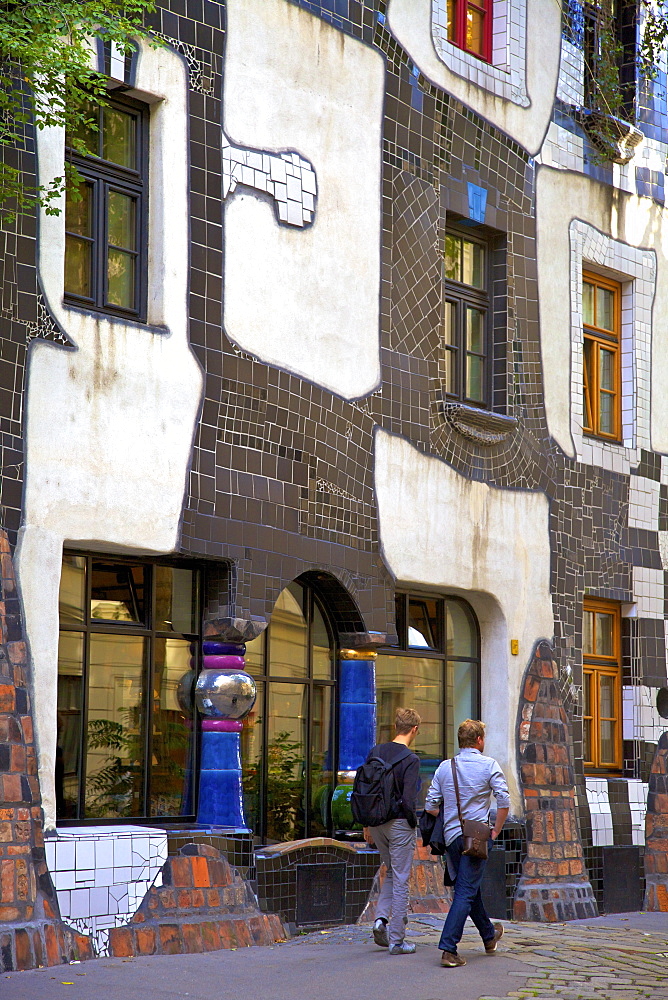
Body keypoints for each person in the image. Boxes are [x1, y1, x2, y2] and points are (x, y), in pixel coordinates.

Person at [425, 719, 509, 968]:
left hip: (451, 837)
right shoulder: (489, 765)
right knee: (465, 891)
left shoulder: (444, 767)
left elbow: (430, 805)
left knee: (468, 888)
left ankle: (488, 934)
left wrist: (449, 813)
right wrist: (496, 830)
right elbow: (504, 800)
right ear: (480, 740)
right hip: (479, 837)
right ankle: (448, 949)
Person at [364, 707, 422, 955]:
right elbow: (409, 801)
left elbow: (366, 791)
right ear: (414, 730)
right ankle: (397, 941)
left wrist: (367, 824)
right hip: (398, 824)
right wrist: (413, 823)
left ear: (395, 727)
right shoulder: (411, 759)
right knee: (401, 880)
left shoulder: (375, 752)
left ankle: (380, 921)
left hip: (376, 824)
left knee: (390, 873)